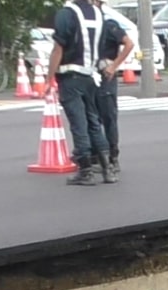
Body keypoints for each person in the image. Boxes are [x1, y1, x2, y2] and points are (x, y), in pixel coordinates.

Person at [50, 0, 115, 184]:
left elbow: (58, 48)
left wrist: (49, 78)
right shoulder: (97, 13)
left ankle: (85, 170)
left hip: (70, 76)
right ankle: (107, 169)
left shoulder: (67, 13)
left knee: (79, 124)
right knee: (93, 122)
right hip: (90, 75)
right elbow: (101, 47)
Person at [95, 0, 136, 179]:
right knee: (91, 118)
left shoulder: (109, 24)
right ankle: (95, 155)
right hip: (88, 74)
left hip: (105, 74)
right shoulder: (83, 26)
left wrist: (114, 66)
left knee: (108, 117)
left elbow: (129, 43)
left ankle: (113, 156)